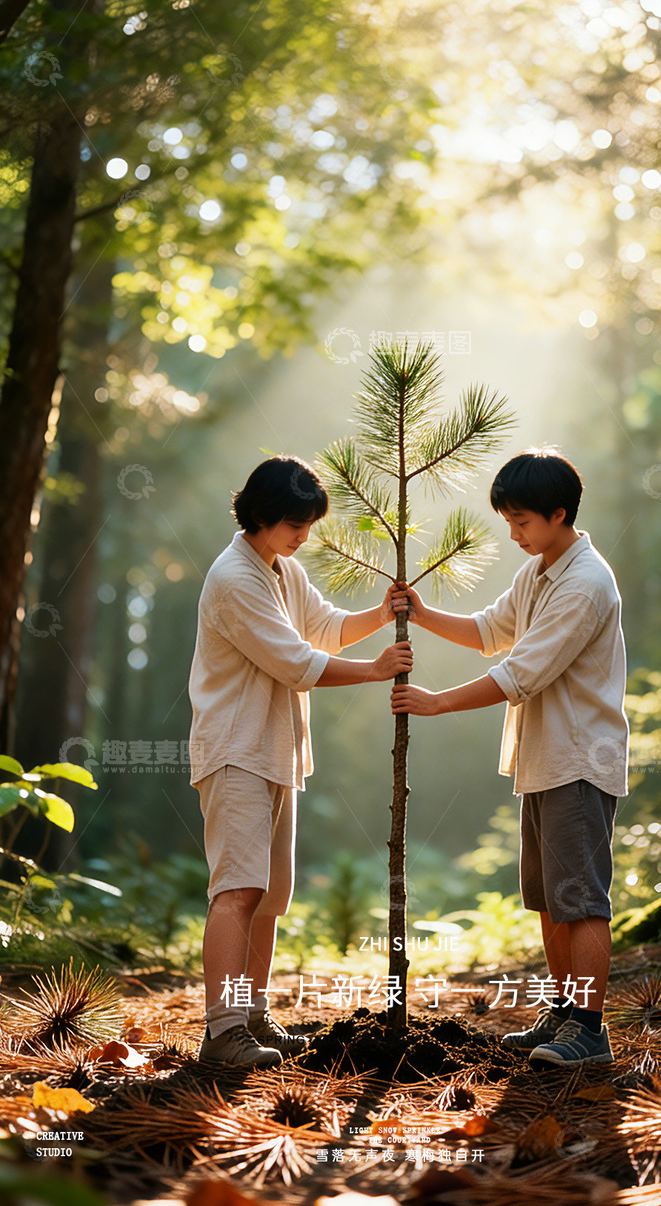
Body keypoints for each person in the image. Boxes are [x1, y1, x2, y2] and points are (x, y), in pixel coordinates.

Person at [390, 448, 629, 1067]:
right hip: (543, 758)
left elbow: (522, 671)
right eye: (509, 522)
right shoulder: (542, 569)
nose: (515, 534)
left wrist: (438, 703)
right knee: (550, 900)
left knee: (581, 900)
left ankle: (591, 1031)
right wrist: (419, 610)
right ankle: (566, 1015)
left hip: (578, 758)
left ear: (558, 514)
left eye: (522, 521)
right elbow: (491, 629)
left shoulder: (584, 581)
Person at [189, 454, 412, 1070]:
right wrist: (375, 671)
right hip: (236, 751)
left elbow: (326, 628)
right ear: (263, 515)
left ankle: (251, 1013)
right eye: (297, 523)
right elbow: (295, 661)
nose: (304, 536)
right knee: (237, 889)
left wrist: (387, 609)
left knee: (270, 894)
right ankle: (222, 1032)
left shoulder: (279, 569)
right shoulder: (235, 576)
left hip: (277, 752)